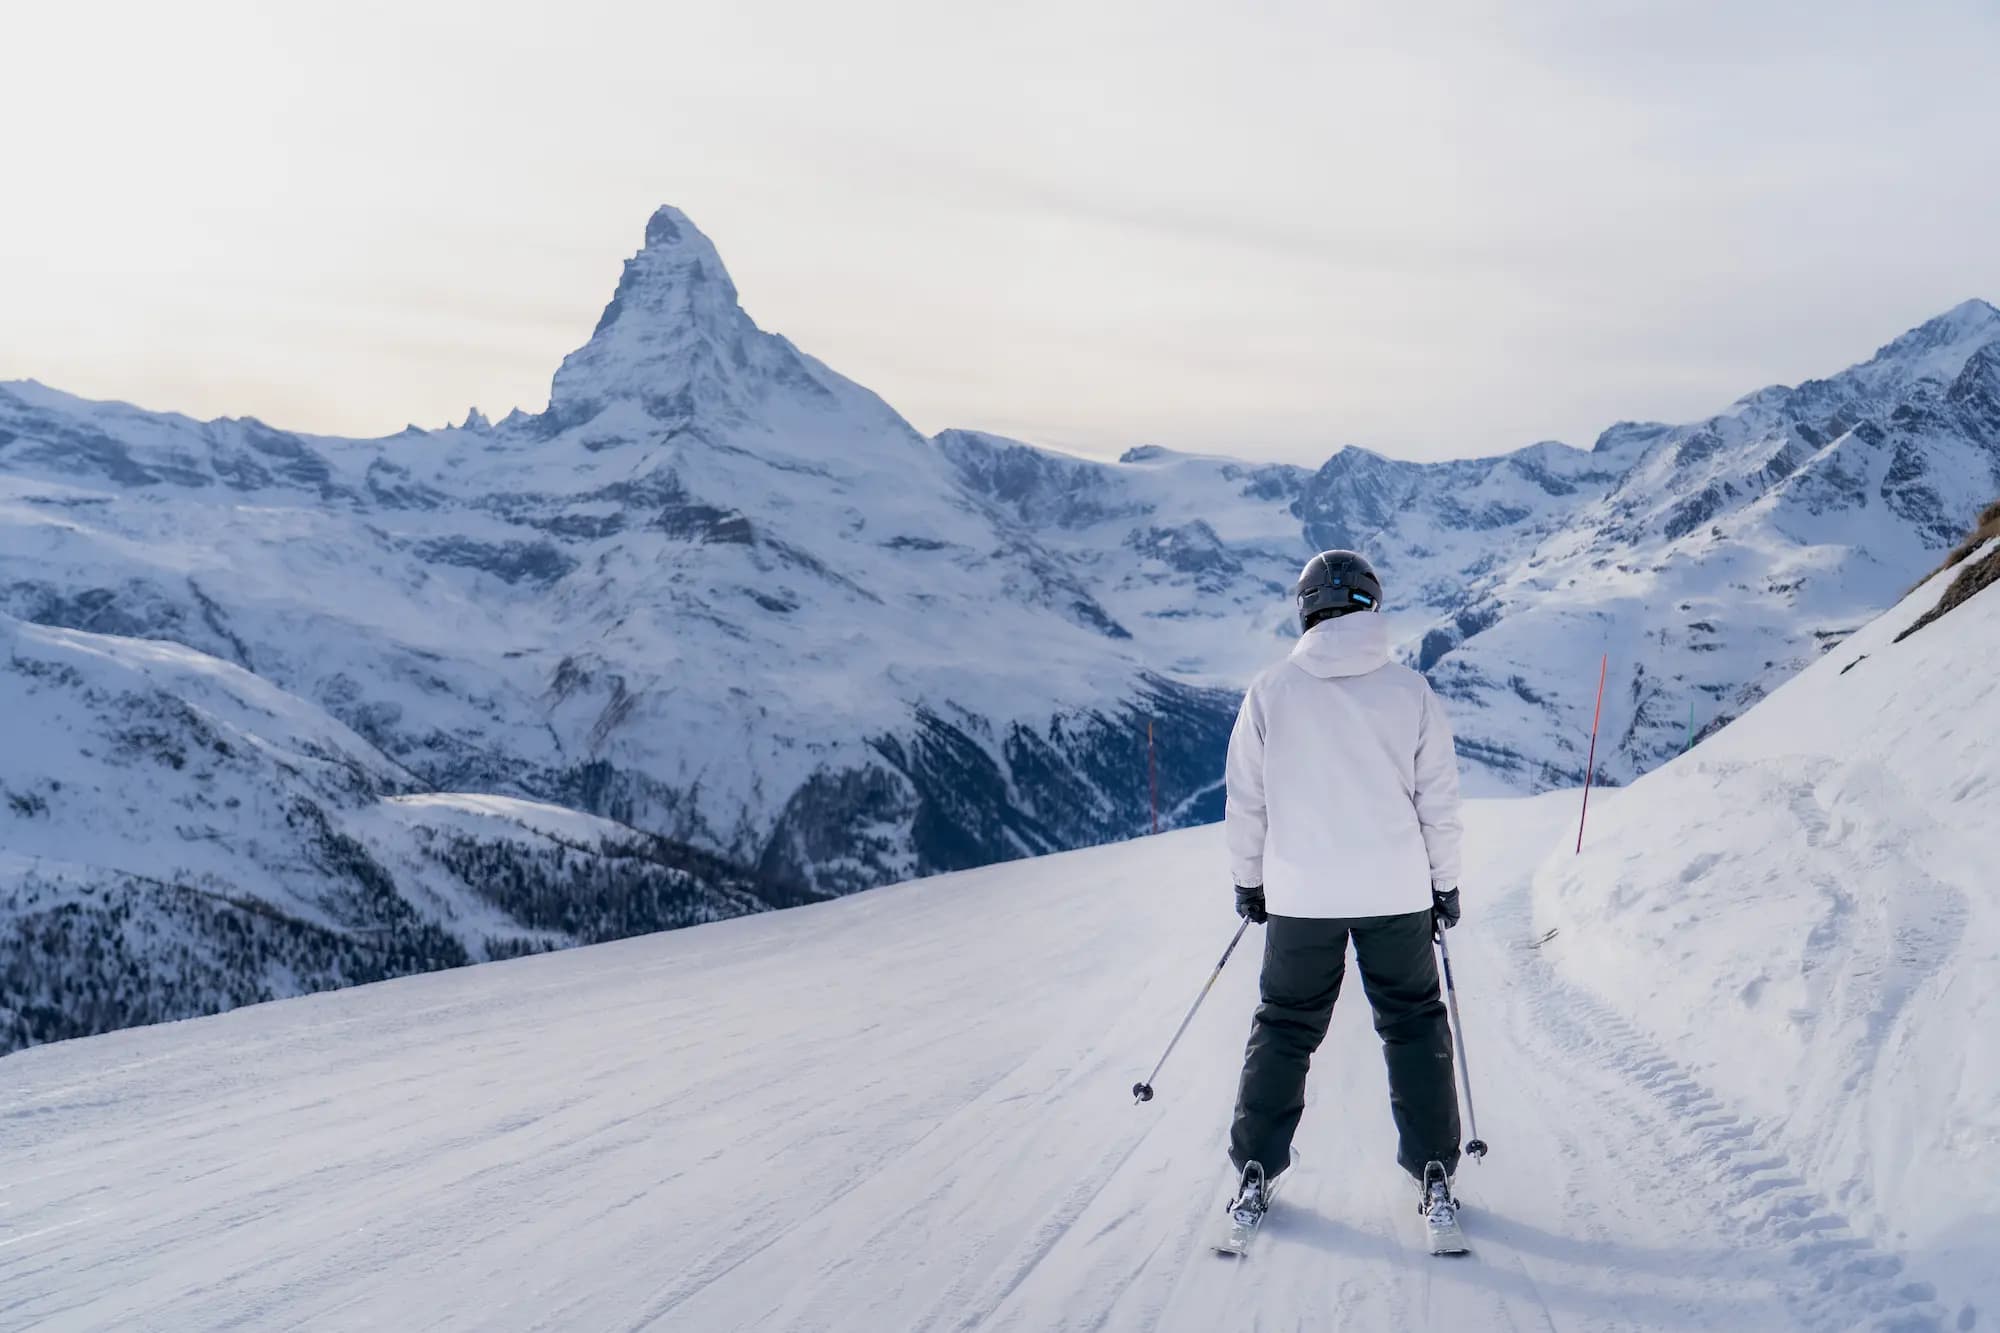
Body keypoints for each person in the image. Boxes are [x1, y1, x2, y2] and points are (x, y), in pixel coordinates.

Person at [1221, 549, 1466, 1238]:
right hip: (1396, 890)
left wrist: (1250, 881)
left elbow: (1247, 802)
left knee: (1287, 1024)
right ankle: (1434, 1174)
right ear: (1371, 606)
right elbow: (1437, 801)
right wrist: (1444, 884)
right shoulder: (1411, 691)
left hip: (1302, 895)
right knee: (1414, 1022)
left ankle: (1255, 1171)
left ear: (1307, 609)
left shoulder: (1270, 691)